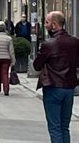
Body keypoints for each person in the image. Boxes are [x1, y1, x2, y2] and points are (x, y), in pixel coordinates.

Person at [33, 11, 79, 143]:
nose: (45, 25)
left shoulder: (49, 44)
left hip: (53, 86)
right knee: (65, 127)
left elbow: (37, 65)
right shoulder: (75, 42)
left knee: (55, 127)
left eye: (47, 22)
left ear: (54, 25)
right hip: (69, 87)